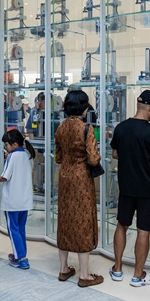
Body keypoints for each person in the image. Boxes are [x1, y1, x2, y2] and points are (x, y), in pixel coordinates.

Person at [109, 90, 150, 287]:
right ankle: (137, 275)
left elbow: (115, 154)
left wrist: (131, 156)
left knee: (122, 225)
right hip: (148, 189)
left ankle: (117, 269)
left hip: (126, 187)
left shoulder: (121, 128)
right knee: (143, 230)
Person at [54, 90, 103, 288]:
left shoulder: (60, 127)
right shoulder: (86, 128)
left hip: (65, 178)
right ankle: (84, 275)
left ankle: (64, 269)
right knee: (83, 220)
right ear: (83, 107)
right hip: (81, 179)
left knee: (65, 219)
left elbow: (58, 157)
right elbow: (93, 159)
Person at [0, 129, 35, 270]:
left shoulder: (12, 157)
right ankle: (22, 254)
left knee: (13, 230)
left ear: (14, 144)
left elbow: (5, 177)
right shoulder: (28, 155)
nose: (5, 148)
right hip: (25, 200)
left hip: (12, 201)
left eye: (6, 145)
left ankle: (20, 258)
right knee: (21, 229)